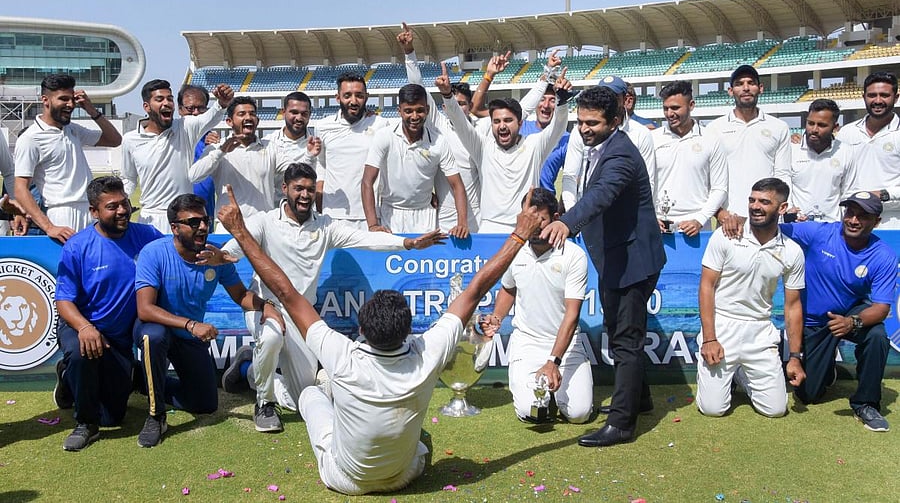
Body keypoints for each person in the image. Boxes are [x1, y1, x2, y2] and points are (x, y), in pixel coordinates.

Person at [217, 182, 544, 495]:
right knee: (407, 435)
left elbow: (286, 294)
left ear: (361, 331)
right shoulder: (426, 354)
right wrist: (519, 236)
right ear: (409, 331)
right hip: (406, 475)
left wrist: (240, 232)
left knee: (311, 395)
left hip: (343, 478)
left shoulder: (342, 356)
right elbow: (475, 290)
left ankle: (278, 385)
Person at [205, 163, 447, 432]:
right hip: (266, 307)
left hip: (301, 315)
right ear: (284, 189)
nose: (305, 195)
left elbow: (364, 239)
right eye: (298, 188)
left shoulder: (325, 226)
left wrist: (408, 244)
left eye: (310, 189)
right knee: (271, 336)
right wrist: (220, 256)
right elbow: (232, 251)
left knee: (304, 399)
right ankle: (264, 404)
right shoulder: (264, 221)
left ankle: (248, 368)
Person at [542, 86, 666, 447]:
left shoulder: (621, 154)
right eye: (581, 121)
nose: (584, 129)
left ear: (615, 121)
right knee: (619, 332)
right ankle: (638, 398)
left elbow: (601, 195)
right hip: (617, 257)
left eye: (593, 123)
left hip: (633, 260)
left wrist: (567, 222)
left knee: (625, 340)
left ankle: (622, 424)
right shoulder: (600, 146)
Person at [133, 194, 281, 447]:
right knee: (152, 337)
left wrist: (265, 305)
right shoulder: (154, 252)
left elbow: (240, 295)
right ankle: (156, 416)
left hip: (188, 336)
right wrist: (192, 325)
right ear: (174, 228)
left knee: (205, 404)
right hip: (158, 326)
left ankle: (138, 379)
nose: (202, 227)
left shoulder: (215, 256)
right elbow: (145, 309)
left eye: (205, 220)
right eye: (193, 222)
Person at [54, 177, 162, 451]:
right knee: (81, 354)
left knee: (112, 417)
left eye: (124, 203)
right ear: (94, 211)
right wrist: (85, 327)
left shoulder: (147, 235)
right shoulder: (78, 246)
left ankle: (71, 381)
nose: (122, 210)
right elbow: (63, 301)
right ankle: (85, 424)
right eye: (112, 206)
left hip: (118, 337)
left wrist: (212, 254)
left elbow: (177, 251)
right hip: (82, 325)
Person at [782, 191, 896, 432]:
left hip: (848, 314)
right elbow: (773, 229)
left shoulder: (883, 255)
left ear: (876, 222)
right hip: (812, 321)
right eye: (850, 213)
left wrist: (852, 322)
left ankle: (866, 403)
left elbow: (881, 308)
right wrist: (738, 221)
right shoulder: (820, 232)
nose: (853, 220)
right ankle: (827, 372)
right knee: (808, 394)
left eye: (862, 216)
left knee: (877, 335)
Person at [697, 178, 805, 418]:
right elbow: (706, 286)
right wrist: (709, 339)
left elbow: (793, 306)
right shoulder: (725, 235)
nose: (755, 206)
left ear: (782, 208)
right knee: (713, 409)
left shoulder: (792, 251)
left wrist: (795, 357)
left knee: (775, 410)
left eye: (764, 202)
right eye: (752, 200)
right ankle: (732, 372)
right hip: (723, 327)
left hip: (760, 330)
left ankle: (741, 374)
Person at [480, 188, 591, 424]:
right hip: (527, 344)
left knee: (579, 414)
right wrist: (496, 319)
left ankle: (557, 389)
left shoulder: (574, 255)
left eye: (540, 220)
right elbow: (508, 289)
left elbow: (572, 315)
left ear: (556, 219)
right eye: (529, 219)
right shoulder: (515, 250)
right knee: (529, 412)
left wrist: (553, 361)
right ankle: (543, 394)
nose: (533, 226)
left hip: (567, 348)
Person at [439, 63, 570, 232]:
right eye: (496, 121)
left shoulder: (534, 145)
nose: (502, 126)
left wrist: (562, 101)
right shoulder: (482, 147)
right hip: (489, 228)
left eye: (508, 120)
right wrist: (447, 95)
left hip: (524, 229)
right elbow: (460, 122)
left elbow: (558, 127)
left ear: (520, 123)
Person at [13, 74, 121, 242]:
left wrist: (91, 110)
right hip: (61, 214)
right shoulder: (30, 138)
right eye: (63, 99)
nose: (70, 104)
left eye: (72, 99)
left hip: (90, 210)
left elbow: (115, 140)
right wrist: (49, 227)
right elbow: (20, 189)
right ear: (45, 100)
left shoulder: (73, 129)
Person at [399, 23, 483, 232]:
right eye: (454, 103)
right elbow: (418, 87)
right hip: (445, 215)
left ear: (470, 106)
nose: (458, 108)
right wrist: (409, 53)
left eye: (462, 104)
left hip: (478, 215)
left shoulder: (480, 131)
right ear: (445, 106)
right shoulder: (439, 127)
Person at [121, 79, 233, 233]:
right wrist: (120, 199)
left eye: (170, 99)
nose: (167, 103)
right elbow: (129, 179)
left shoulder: (185, 127)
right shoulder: (130, 140)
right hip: (151, 218)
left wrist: (221, 104)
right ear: (146, 106)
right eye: (159, 99)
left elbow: (211, 117)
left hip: (184, 217)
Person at [189, 96, 314, 230]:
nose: (248, 117)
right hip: (228, 227)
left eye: (252, 114)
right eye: (241, 114)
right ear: (229, 121)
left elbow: (296, 173)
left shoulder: (271, 148)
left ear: (257, 121)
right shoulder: (217, 148)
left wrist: (310, 155)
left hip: (263, 227)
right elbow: (194, 176)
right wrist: (222, 151)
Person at [362, 83, 468, 235]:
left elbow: (457, 185)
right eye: (408, 111)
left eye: (420, 110)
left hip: (425, 215)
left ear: (427, 110)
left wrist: (462, 223)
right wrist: (372, 225)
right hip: (390, 214)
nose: (414, 116)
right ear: (399, 111)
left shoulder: (438, 141)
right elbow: (367, 181)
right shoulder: (384, 136)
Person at [469, 49, 571, 195]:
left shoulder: (565, 138)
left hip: (546, 204)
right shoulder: (518, 124)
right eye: (542, 99)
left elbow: (571, 177)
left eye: (552, 100)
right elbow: (476, 109)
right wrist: (489, 75)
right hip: (515, 201)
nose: (546, 105)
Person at [561, 75, 657, 212]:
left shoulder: (641, 134)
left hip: (625, 213)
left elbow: (649, 181)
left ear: (625, 99)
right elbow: (570, 175)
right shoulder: (580, 132)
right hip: (586, 212)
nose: (607, 100)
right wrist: (572, 211)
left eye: (613, 96)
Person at [707, 65, 790, 221]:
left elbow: (783, 174)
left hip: (767, 217)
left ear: (760, 88)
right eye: (739, 84)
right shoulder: (714, 128)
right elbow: (707, 178)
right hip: (730, 218)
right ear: (730, 91)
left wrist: (782, 208)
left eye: (751, 83)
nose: (746, 88)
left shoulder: (779, 127)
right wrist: (720, 213)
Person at [316, 72, 391, 230]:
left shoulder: (381, 124)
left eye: (359, 95)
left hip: (371, 216)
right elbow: (322, 166)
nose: (353, 101)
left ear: (366, 97)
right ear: (338, 98)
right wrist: (320, 203)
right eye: (347, 95)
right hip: (333, 214)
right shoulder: (323, 127)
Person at [652, 80, 728, 235]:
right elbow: (643, 184)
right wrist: (651, 216)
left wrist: (700, 219)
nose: (669, 113)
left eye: (675, 108)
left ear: (691, 105)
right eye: (666, 108)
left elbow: (720, 188)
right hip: (658, 225)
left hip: (697, 227)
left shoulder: (711, 139)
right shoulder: (652, 139)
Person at [836, 71, 900, 228]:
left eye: (884, 95)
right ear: (864, 97)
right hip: (851, 220)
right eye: (872, 95)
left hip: (891, 220)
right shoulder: (847, 132)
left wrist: (882, 195)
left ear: (896, 97)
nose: (878, 101)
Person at [788, 99, 857, 222]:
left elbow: (848, 193)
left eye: (822, 125)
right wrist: (790, 212)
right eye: (810, 123)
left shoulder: (846, 152)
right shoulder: (791, 150)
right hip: (797, 225)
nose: (814, 129)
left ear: (835, 127)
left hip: (832, 226)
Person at [264, 91, 322, 205]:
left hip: (308, 210)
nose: (299, 118)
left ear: (310, 114)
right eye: (294, 112)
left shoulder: (318, 144)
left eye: (304, 114)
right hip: (276, 210)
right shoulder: (268, 143)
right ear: (283, 112)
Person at [180, 84, 221, 219]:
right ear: (180, 110)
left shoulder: (212, 141)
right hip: (177, 211)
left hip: (205, 212)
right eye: (190, 108)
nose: (196, 112)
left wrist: (214, 149)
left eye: (201, 108)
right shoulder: (171, 138)